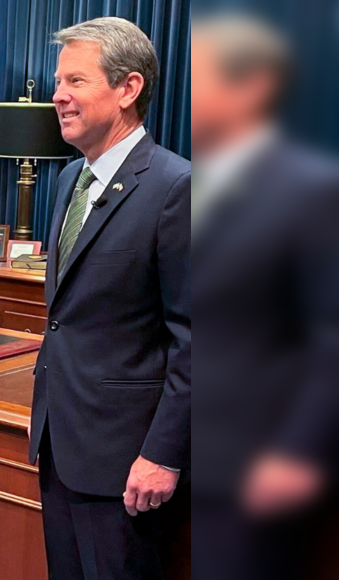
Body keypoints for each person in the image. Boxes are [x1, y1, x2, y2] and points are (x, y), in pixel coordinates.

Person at [27, 17, 191, 579]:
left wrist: (163, 453)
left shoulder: (178, 188)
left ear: (128, 89)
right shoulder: (70, 178)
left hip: (127, 464)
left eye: (76, 81)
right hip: (61, 445)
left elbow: (198, 341)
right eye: (58, 82)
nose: (59, 96)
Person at [191, 16, 339, 579]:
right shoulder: (189, 181)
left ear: (253, 87)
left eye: (202, 79)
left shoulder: (312, 189)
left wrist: (298, 452)